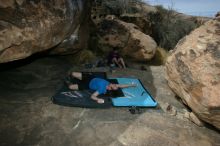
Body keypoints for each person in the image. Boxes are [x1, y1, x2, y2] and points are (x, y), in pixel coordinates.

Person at [65, 72, 136, 104]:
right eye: (115, 85)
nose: (115, 85)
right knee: (73, 73)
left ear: (110, 89)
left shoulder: (102, 90)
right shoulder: (112, 85)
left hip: (86, 85)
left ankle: (69, 82)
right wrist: (131, 85)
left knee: (70, 87)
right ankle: (72, 77)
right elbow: (121, 85)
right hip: (90, 77)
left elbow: (92, 96)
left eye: (114, 86)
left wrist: (98, 99)